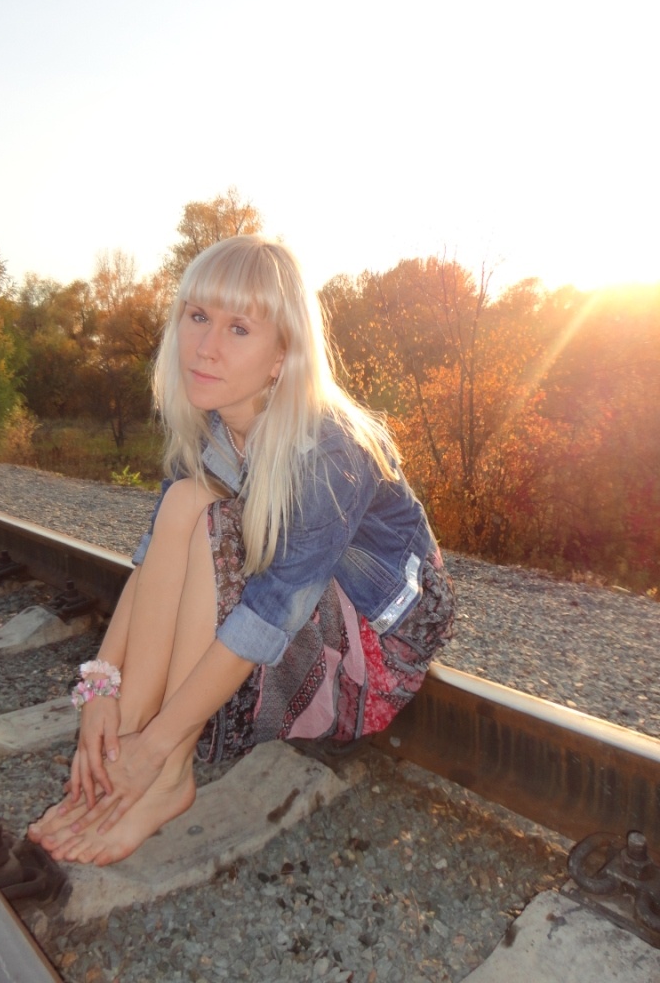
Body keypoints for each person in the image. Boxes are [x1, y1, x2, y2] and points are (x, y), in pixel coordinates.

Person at [28, 234, 455, 866]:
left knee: (207, 517)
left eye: (238, 329)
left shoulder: (331, 448)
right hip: (290, 614)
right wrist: (101, 691)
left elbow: (268, 613)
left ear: (281, 355)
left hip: (374, 649)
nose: (205, 346)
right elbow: (153, 566)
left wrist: (156, 748)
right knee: (185, 504)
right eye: (198, 316)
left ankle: (164, 770)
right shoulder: (213, 425)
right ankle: (125, 747)